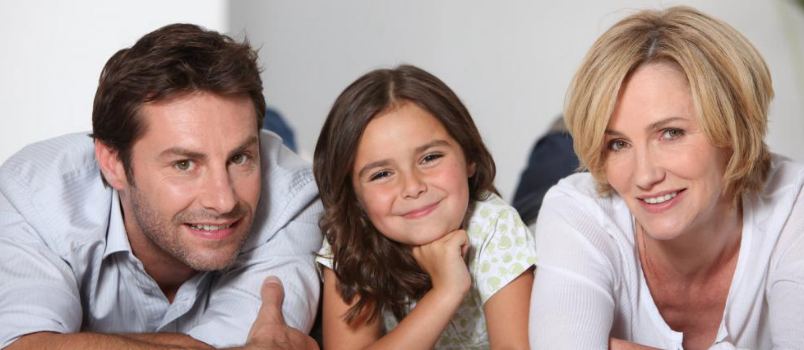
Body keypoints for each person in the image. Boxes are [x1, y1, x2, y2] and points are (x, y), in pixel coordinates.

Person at [0, 24, 321, 349]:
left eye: (239, 158)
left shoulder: (294, 197)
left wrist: (71, 341)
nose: (223, 201)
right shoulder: (33, 196)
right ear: (112, 163)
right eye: (184, 164)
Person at [528, 6, 804, 349]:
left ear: (734, 127)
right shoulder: (577, 210)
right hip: (561, 189)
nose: (645, 175)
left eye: (671, 133)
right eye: (618, 142)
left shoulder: (794, 203)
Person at [313, 65, 536, 349]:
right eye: (382, 174)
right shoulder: (349, 240)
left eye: (430, 157)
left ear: (469, 156)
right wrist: (446, 292)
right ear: (353, 195)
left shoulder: (496, 227)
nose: (412, 186)